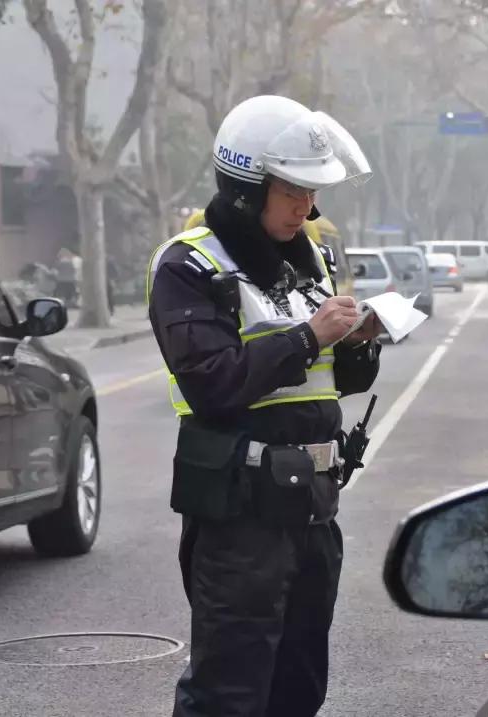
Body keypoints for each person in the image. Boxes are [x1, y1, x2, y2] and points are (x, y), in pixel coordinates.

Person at [146, 95, 382, 717]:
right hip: (239, 516)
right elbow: (214, 384)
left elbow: (330, 384)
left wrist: (360, 343)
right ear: (249, 189)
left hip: (313, 509)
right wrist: (309, 337)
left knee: (299, 686)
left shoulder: (312, 263)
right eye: (293, 191)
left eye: (312, 192)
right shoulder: (189, 265)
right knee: (229, 693)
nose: (308, 207)